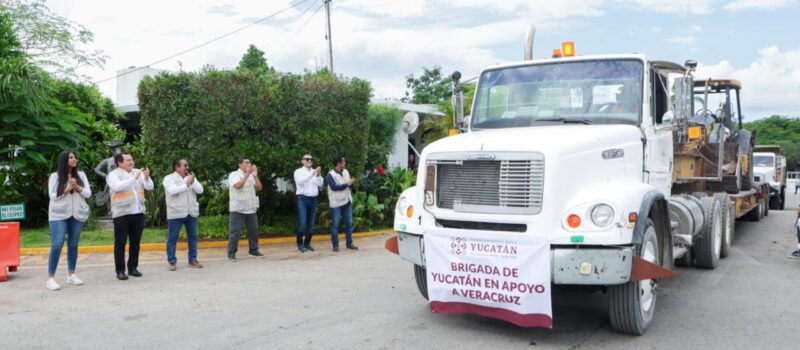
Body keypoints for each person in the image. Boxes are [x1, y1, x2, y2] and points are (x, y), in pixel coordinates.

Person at [46, 151, 92, 290]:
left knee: (73, 244)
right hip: (58, 216)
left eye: (75, 157)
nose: (74, 159)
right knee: (57, 244)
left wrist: (77, 187)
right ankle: (51, 278)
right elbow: (52, 196)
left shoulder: (81, 175)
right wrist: (67, 188)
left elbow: (88, 194)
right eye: (71, 157)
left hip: (76, 214)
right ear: (64, 160)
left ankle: (71, 274)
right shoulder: (55, 176)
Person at [107, 153, 154, 280]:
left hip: (138, 213)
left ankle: (133, 268)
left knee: (135, 243)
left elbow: (150, 187)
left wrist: (147, 177)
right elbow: (117, 187)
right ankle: (120, 270)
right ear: (119, 163)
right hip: (122, 214)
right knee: (120, 243)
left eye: (132, 159)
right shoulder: (113, 175)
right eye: (128, 160)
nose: (131, 162)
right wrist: (134, 178)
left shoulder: (137, 172)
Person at [163, 158, 204, 271]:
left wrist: (193, 182)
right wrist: (186, 184)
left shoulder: (190, 177)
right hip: (176, 214)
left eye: (187, 165)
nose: (187, 167)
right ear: (177, 167)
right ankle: (172, 261)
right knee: (172, 238)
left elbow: (200, 190)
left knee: (193, 237)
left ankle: (192, 260)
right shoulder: (169, 178)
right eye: (185, 165)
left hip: (191, 212)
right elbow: (172, 191)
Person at [227, 156, 264, 261]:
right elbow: (238, 186)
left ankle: (253, 250)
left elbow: (259, 188)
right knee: (235, 232)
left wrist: (255, 176)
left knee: (254, 231)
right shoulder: (234, 175)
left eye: (250, 162)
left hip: (251, 208)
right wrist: (247, 174)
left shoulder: (252, 176)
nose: (249, 164)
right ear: (240, 164)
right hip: (238, 209)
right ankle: (231, 253)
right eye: (246, 162)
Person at [327, 154, 358, 252]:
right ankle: (335, 245)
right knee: (335, 224)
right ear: (338, 163)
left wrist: (352, 183)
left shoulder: (346, 172)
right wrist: (347, 184)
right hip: (336, 203)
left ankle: (349, 243)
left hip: (346, 201)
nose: (344, 163)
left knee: (349, 223)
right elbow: (333, 187)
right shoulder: (330, 175)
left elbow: (348, 186)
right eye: (343, 162)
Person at [294, 154, 323, 253]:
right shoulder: (298, 171)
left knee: (311, 224)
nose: (309, 160)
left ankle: (307, 244)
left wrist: (318, 175)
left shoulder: (315, 171)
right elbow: (301, 181)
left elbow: (320, 184)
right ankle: (299, 244)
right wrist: (313, 173)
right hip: (302, 199)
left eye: (311, 159)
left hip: (313, 199)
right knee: (302, 222)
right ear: (302, 161)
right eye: (307, 159)